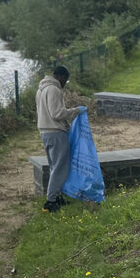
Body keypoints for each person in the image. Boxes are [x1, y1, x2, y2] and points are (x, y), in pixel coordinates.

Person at [35, 66, 85, 213]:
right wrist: (75, 110)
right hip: (56, 132)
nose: (65, 83)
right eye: (66, 80)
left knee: (53, 166)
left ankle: (56, 196)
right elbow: (57, 113)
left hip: (44, 132)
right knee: (60, 168)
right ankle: (50, 201)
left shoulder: (41, 89)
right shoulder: (53, 89)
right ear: (61, 77)